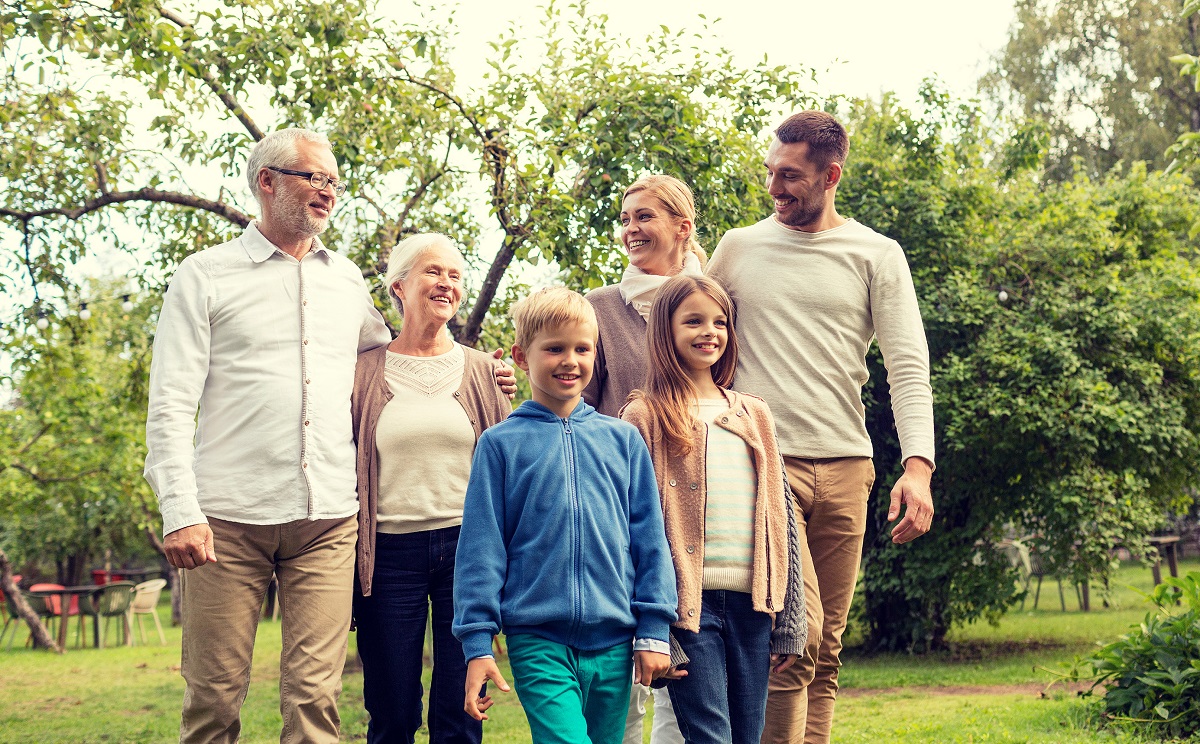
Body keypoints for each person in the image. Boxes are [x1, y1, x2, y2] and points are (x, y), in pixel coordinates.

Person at [144, 129, 514, 743]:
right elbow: (171, 401)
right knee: (214, 695)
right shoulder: (205, 275)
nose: (327, 192)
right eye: (314, 178)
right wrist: (179, 508)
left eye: (334, 183)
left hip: (329, 520)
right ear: (267, 181)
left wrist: (487, 369)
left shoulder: (345, 282)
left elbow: (403, 355)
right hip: (228, 518)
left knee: (316, 700)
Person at [706, 111, 936, 744]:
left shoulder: (876, 254)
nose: (776, 188)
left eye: (791, 176)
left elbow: (908, 364)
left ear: (831, 175)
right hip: (760, 466)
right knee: (793, 639)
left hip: (845, 469)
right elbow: (690, 331)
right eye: (771, 174)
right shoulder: (738, 248)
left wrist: (918, 468)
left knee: (825, 649)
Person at [452, 287, 679, 744]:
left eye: (582, 348)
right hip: (538, 639)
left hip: (616, 642)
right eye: (554, 348)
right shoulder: (499, 445)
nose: (570, 360)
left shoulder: (623, 440)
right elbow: (481, 549)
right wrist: (477, 643)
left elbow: (650, 539)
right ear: (520, 355)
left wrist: (654, 628)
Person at [620, 275, 806, 744]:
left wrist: (788, 619)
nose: (710, 331)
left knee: (748, 735)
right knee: (711, 736)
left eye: (720, 322)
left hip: (753, 607)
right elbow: (631, 528)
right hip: (688, 611)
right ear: (666, 331)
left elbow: (780, 516)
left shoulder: (754, 413)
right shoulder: (644, 415)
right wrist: (655, 630)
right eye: (694, 321)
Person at [350, 233, 511, 743]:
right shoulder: (362, 373)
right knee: (393, 711)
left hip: (468, 552)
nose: (446, 283)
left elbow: (508, 466)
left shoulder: (486, 371)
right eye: (432, 272)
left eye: (455, 275)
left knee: (460, 714)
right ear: (399, 286)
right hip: (389, 554)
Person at [581, 174, 705, 743]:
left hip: (699, 515)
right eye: (626, 218)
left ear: (682, 228)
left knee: (691, 672)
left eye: (645, 217)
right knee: (627, 676)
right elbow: (574, 408)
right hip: (621, 513)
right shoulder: (599, 309)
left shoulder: (712, 306)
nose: (631, 229)